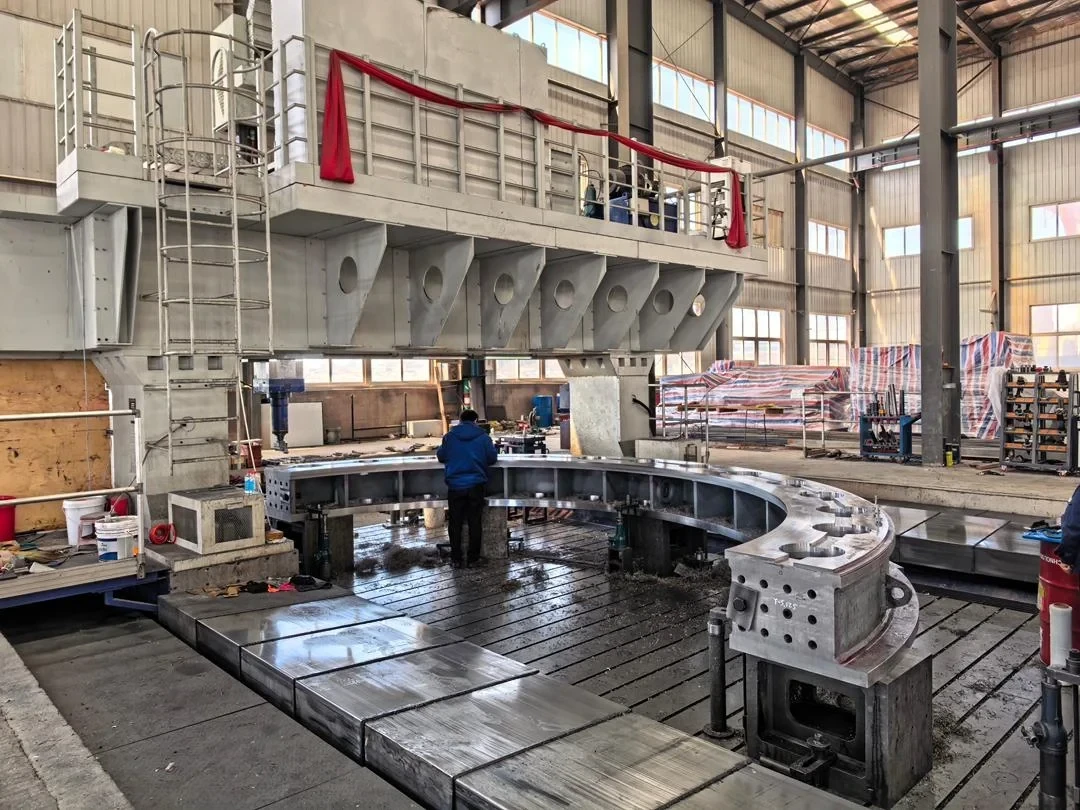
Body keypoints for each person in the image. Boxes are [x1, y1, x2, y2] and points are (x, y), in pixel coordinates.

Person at [436, 409, 498, 567]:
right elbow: (492, 458)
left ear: (460, 420)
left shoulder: (449, 437)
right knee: (474, 522)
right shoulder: (484, 437)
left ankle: (456, 559)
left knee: (455, 523)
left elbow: (441, 456)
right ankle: (473, 559)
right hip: (476, 485)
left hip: (455, 485)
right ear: (476, 421)